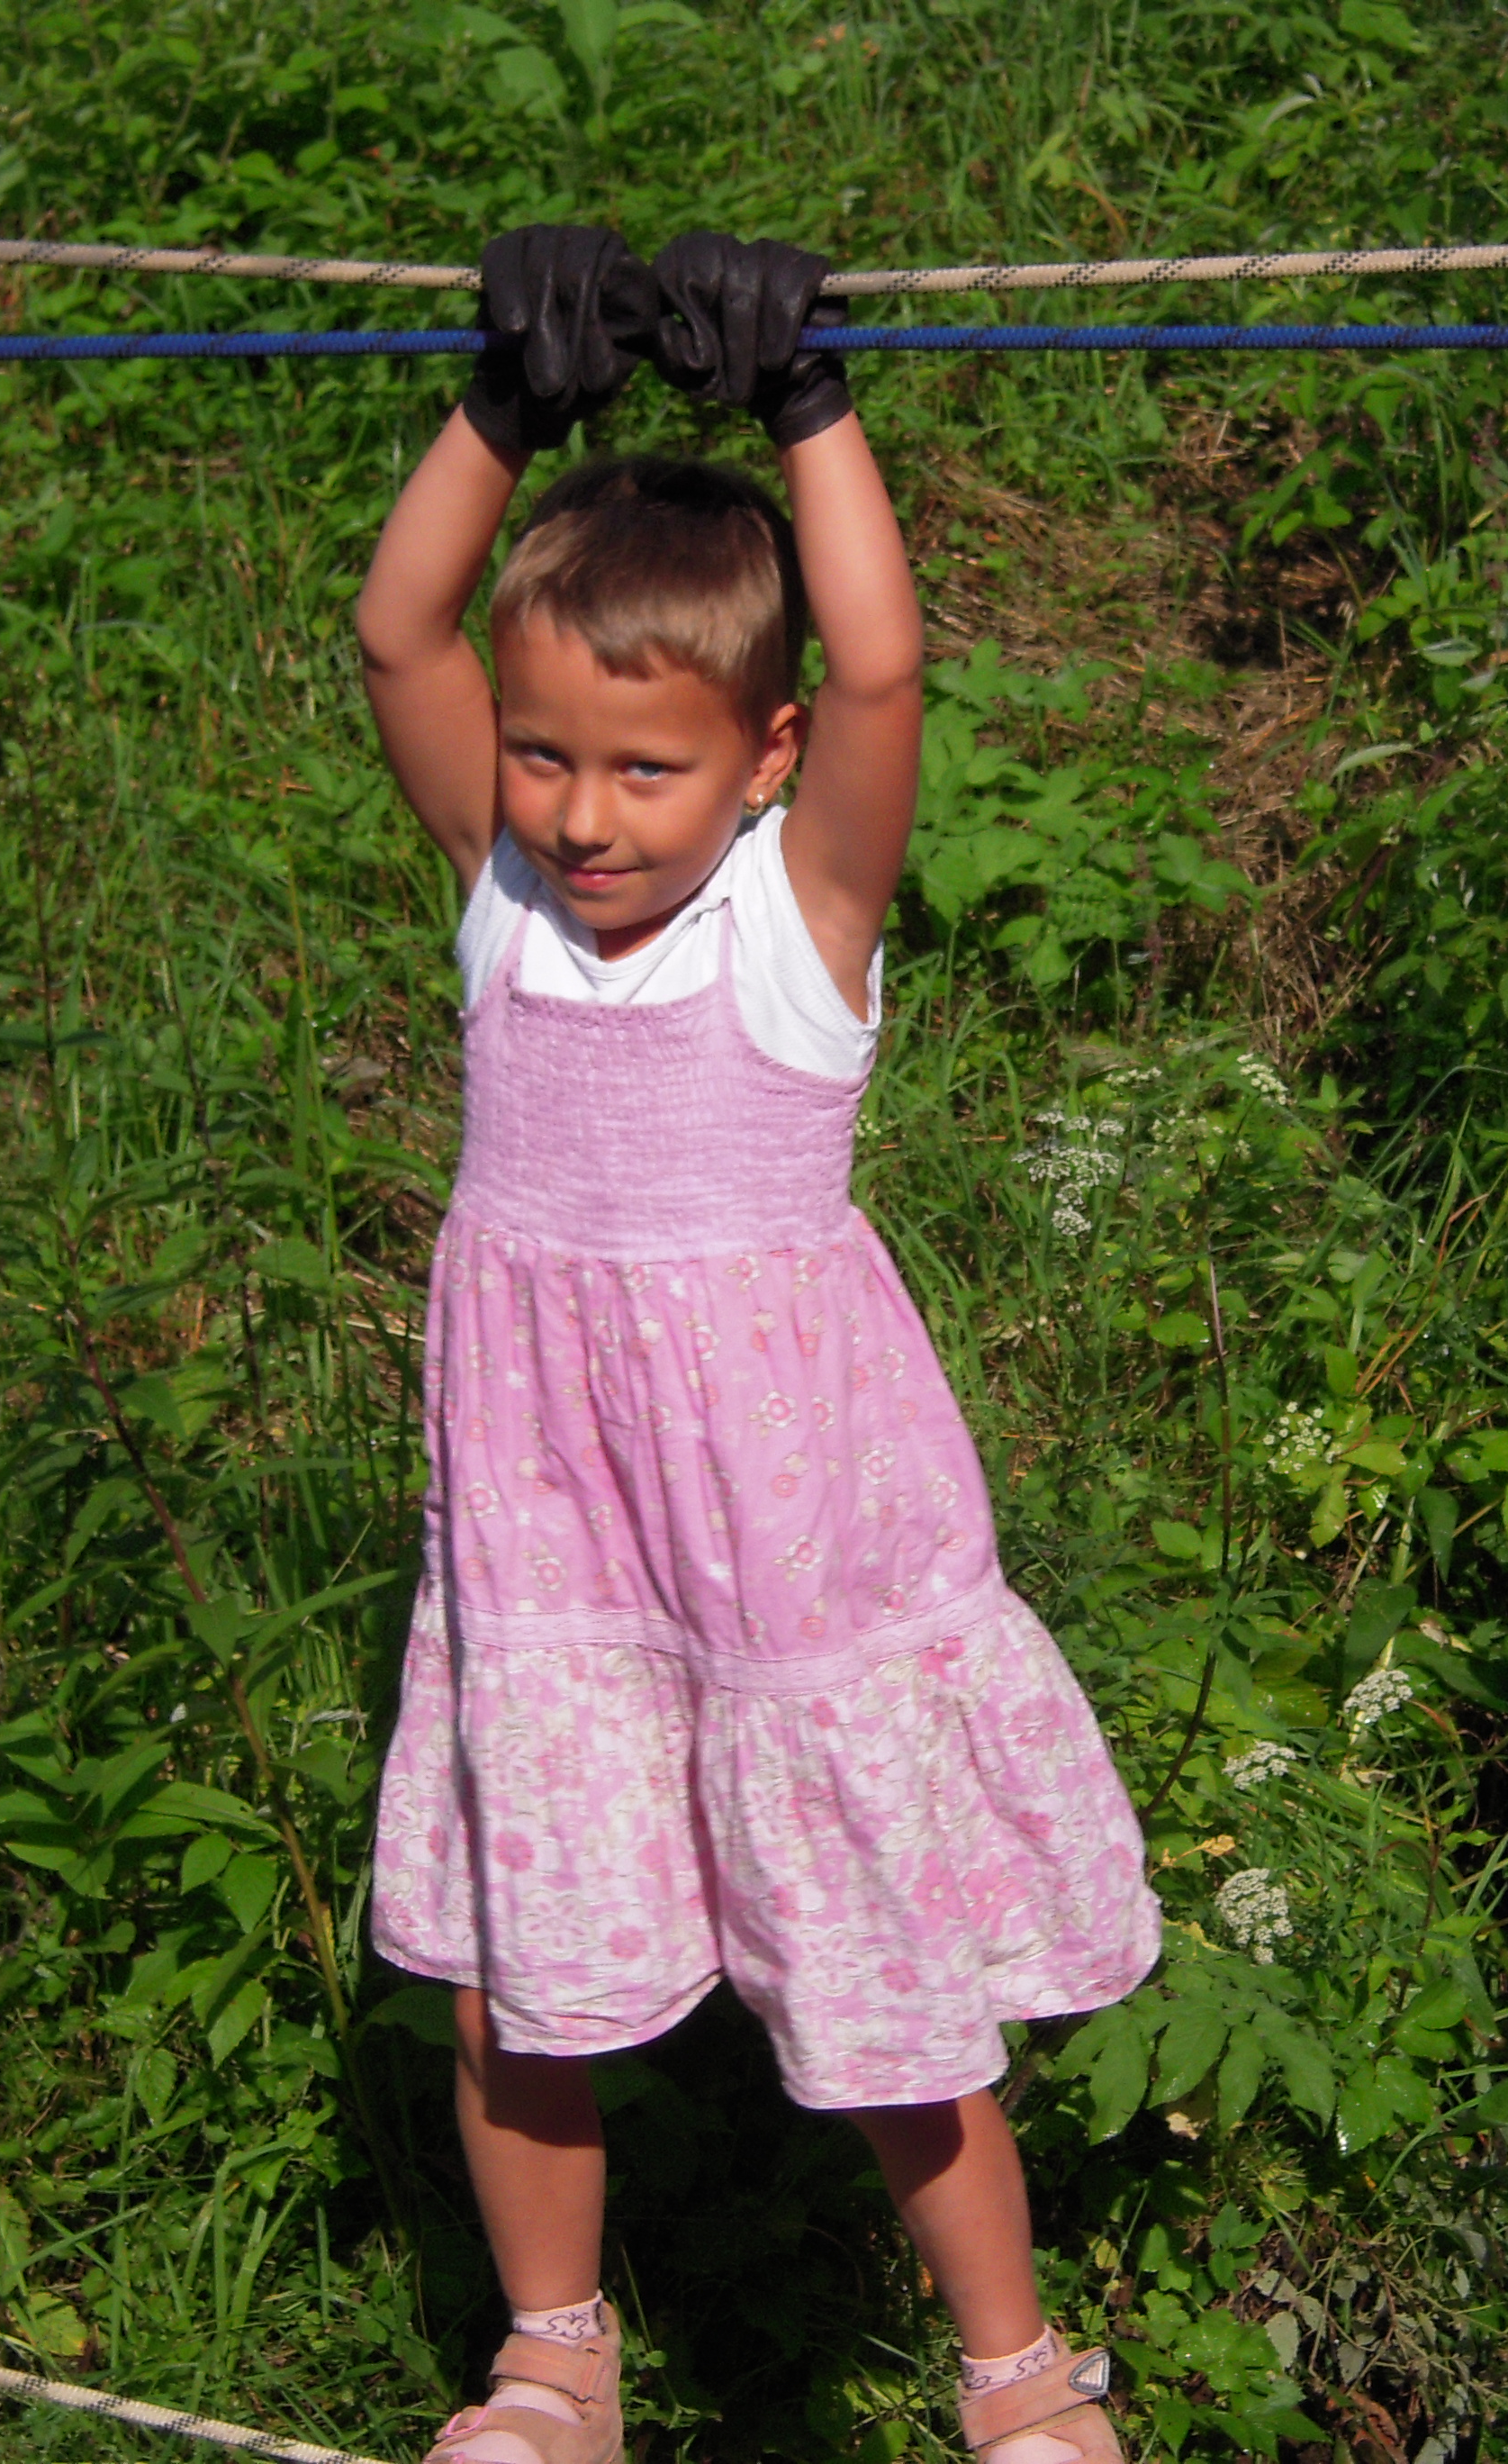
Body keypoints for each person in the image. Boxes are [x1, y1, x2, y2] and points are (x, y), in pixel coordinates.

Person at [355, 226, 1160, 2464]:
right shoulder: (507, 903)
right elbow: (398, 628)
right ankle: (553, 2361)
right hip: (553, 1553)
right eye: (544, 756)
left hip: (787, 1543)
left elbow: (888, 670)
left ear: (763, 755)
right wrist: (502, 406)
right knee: (521, 1977)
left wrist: (812, 404)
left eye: (642, 768)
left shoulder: (801, 924)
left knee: (885, 1963)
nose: (579, 814)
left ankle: (1019, 2377)